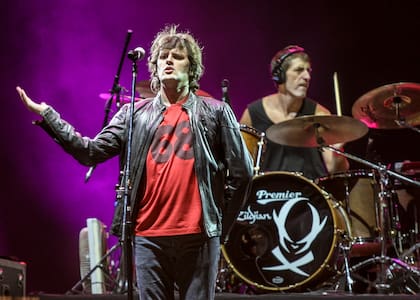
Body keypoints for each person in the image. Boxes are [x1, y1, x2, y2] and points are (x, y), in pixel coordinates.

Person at [16, 24, 253, 300]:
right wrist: (49, 116)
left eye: (177, 56)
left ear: (192, 68)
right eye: (163, 56)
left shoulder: (216, 111)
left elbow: (243, 173)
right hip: (148, 238)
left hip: (198, 237)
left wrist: (220, 227)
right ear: (153, 66)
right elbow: (90, 151)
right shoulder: (134, 113)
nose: (168, 61)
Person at [239, 45, 349, 180]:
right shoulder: (253, 113)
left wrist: (338, 154)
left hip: (309, 194)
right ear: (280, 76)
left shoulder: (319, 114)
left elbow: (334, 170)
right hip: (267, 194)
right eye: (299, 70)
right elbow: (241, 165)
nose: (307, 76)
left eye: (309, 71)